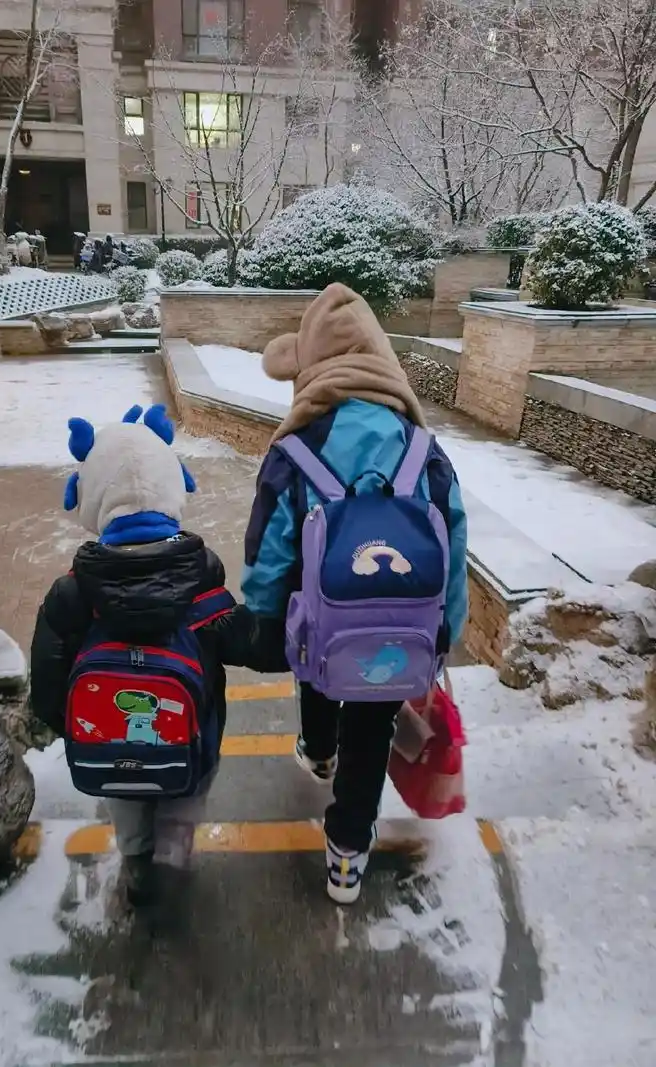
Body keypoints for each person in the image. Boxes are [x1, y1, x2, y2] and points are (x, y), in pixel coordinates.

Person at [241, 283, 469, 904]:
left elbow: (269, 546)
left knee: (316, 671)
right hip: (401, 632)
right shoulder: (423, 450)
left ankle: (318, 751)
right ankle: (347, 854)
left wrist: (263, 613)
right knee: (371, 729)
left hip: (322, 624)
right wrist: (448, 626)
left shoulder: (296, 450)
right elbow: (453, 537)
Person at [30, 403, 275, 906]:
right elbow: (250, 643)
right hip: (192, 740)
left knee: (125, 802)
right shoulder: (201, 584)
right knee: (184, 798)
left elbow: (48, 683)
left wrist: (82, 728)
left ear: (89, 497)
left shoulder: (74, 595)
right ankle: (173, 857)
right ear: (174, 486)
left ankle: (138, 864)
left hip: (109, 750)